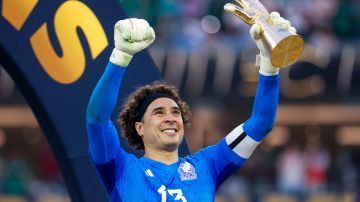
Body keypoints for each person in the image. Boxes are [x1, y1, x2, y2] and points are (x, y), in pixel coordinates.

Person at [86, 13, 297, 201]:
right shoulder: (122, 169)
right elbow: (96, 120)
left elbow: (260, 124)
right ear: (139, 127)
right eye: (158, 112)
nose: (170, 117)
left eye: (175, 112)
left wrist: (270, 66)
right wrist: (120, 57)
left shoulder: (207, 165)